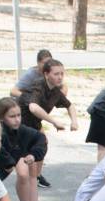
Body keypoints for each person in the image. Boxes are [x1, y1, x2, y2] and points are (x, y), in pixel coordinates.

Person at [0, 97, 50, 201]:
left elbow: (40, 138)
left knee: (31, 167)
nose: (17, 119)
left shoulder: (20, 130)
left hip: (6, 167)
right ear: (1, 117)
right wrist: (11, 163)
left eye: (19, 115)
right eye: (12, 116)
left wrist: (33, 155)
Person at [17, 55, 76, 190]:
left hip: (33, 124)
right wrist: (54, 122)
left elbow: (70, 105)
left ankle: (36, 176)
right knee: (19, 158)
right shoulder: (38, 86)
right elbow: (33, 107)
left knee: (41, 145)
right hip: (19, 123)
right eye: (56, 74)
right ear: (46, 74)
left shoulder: (55, 91)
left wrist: (74, 121)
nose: (60, 77)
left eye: (62, 74)